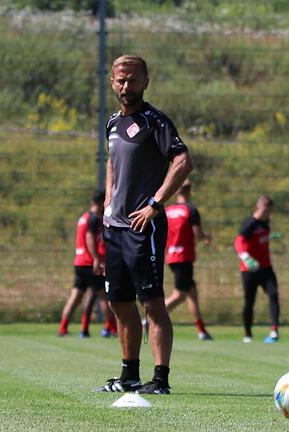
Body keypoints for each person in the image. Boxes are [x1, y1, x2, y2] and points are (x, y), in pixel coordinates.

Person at [96, 55, 193, 395]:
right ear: (112, 83)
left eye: (133, 80)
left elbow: (183, 161)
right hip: (114, 228)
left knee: (151, 302)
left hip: (142, 228)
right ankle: (129, 376)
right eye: (121, 80)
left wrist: (155, 203)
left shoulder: (155, 122)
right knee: (119, 303)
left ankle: (161, 379)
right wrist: (108, 205)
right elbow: (112, 165)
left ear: (146, 82)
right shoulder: (111, 123)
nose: (126, 86)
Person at [58, 189, 117, 338]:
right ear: (101, 202)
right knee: (104, 296)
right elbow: (90, 237)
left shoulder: (83, 217)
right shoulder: (93, 219)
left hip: (79, 262)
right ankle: (111, 327)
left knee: (76, 296)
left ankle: (64, 328)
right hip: (90, 263)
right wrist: (97, 259)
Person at [164, 179, 213, 341]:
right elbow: (197, 234)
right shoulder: (190, 210)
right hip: (184, 257)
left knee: (192, 292)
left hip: (171, 255)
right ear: (189, 191)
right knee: (179, 295)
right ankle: (150, 319)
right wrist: (206, 237)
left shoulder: (168, 210)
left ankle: (201, 331)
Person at [234, 196, 280, 344]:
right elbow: (239, 241)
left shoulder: (266, 223)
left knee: (273, 295)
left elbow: (258, 240)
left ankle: (274, 331)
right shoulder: (250, 223)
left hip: (266, 268)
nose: (270, 214)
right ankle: (248, 334)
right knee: (249, 301)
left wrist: (269, 237)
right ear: (264, 208)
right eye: (269, 211)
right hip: (250, 269)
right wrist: (246, 258)